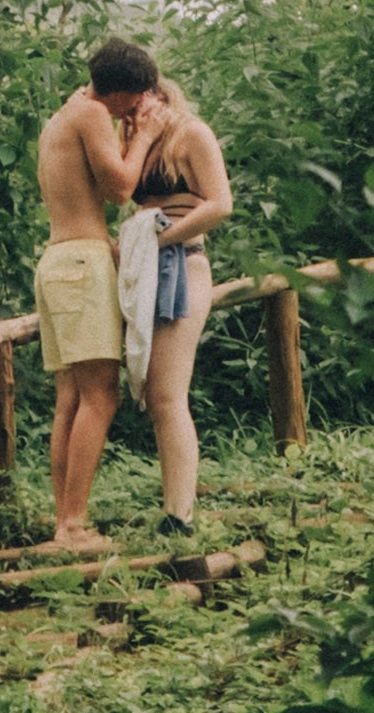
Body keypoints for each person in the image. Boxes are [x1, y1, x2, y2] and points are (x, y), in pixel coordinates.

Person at [33, 38, 164, 540]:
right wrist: (147, 135)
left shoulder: (64, 114)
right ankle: (74, 522)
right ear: (121, 93)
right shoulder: (90, 115)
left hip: (59, 259)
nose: (136, 110)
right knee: (100, 397)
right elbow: (121, 188)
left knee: (71, 397)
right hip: (81, 265)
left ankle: (65, 519)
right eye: (135, 100)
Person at [123, 71, 234, 530]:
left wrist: (163, 238)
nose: (133, 117)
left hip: (184, 264)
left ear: (161, 95)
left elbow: (220, 204)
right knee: (153, 394)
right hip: (146, 268)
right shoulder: (138, 140)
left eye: (139, 107)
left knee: (168, 395)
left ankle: (180, 516)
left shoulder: (192, 134)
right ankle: (173, 505)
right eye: (126, 112)